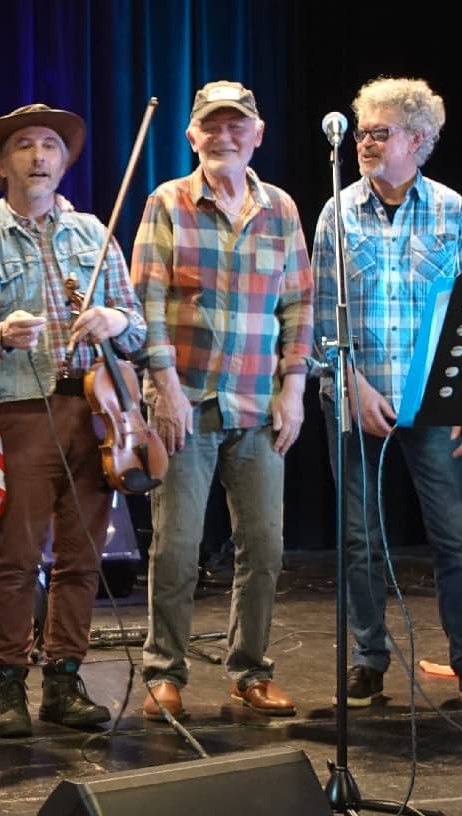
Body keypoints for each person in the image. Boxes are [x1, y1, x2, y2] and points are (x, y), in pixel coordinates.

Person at [312, 77, 462, 712]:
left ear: (418, 140)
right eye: (362, 131)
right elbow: (324, 318)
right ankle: (368, 663)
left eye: (380, 133)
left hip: (434, 401)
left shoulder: (452, 211)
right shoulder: (336, 210)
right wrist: (350, 384)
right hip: (356, 398)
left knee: (455, 539)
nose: (364, 143)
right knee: (360, 539)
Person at [0, 104, 148, 738]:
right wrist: (2, 334)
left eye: (51, 146)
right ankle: (9, 685)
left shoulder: (95, 233)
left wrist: (115, 322)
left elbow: (138, 326)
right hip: (25, 408)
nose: (39, 156)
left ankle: (64, 678)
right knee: (18, 555)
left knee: (83, 555)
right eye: (26, 146)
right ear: (2, 164)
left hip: (95, 409)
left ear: (63, 162)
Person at [129, 80, 310, 722]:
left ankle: (250, 673)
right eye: (213, 125)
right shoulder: (167, 202)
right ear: (193, 135)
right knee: (176, 546)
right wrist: (165, 390)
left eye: (238, 126)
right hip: (188, 402)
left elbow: (298, 305)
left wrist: (295, 388)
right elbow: (143, 304)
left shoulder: (281, 208)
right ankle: (164, 672)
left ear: (257, 135)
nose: (225, 135)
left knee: (264, 545)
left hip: (260, 405)